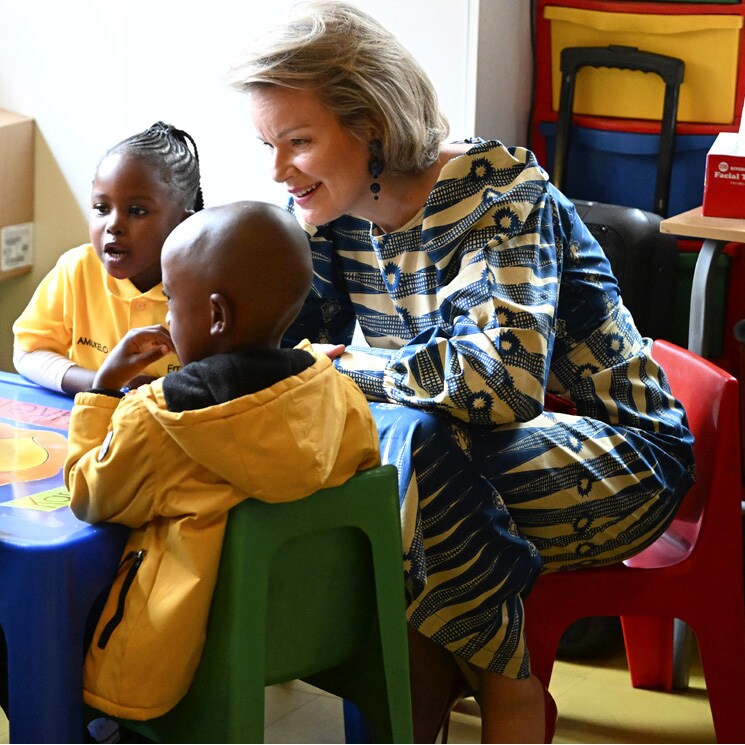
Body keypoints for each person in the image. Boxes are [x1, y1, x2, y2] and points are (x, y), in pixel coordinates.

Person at [229, 2, 696, 742]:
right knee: (390, 458)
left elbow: (501, 386)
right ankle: (456, 691)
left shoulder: (500, 192)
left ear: (371, 125)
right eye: (265, 143)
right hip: (455, 452)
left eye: (297, 141)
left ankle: (504, 694)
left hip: (624, 456)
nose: (277, 169)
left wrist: (354, 374)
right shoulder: (333, 210)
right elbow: (284, 359)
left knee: (402, 462)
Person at [63, 200, 381, 720]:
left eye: (171, 301)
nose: (166, 316)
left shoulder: (160, 421)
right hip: (303, 629)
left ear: (214, 315)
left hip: (180, 653)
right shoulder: (336, 393)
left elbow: (87, 495)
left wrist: (101, 392)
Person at [12, 121, 203, 395]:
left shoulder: (205, 287)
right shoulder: (77, 269)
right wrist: (102, 383)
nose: (113, 225)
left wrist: (164, 393)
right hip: (88, 424)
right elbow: (28, 352)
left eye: (136, 211)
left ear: (182, 223)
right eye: (101, 208)